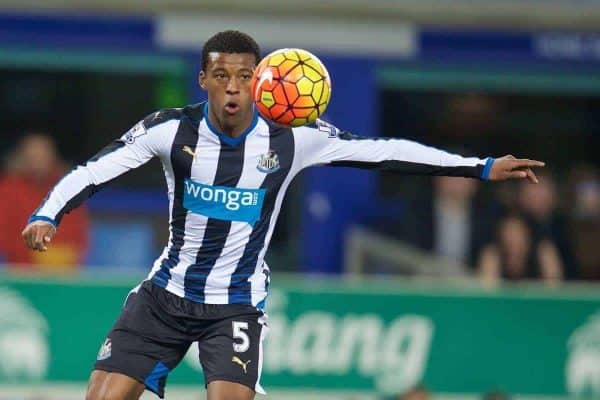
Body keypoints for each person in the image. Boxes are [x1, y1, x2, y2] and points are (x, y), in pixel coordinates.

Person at [21, 30, 545, 400]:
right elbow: (93, 170)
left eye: (244, 76)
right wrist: (49, 213)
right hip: (164, 296)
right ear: (202, 78)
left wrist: (480, 166)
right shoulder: (168, 130)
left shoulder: (295, 138)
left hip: (236, 306)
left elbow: (385, 151)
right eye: (221, 74)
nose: (233, 86)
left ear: (260, 82)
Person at [0, 132, 89, 269]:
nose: (37, 162)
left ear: (52, 158)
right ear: (21, 158)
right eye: (32, 157)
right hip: (19, 272)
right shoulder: (7, 189)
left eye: (42, 156)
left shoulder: (68, 188)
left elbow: (78, 239)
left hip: (62, 272)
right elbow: (5, 239)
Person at [477, 213, 563, 285]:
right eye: (508, 232)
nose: (513, 238)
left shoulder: (541, 252)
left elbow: (555, 288)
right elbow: (488, 290)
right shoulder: (493, 255)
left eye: (518, 232)